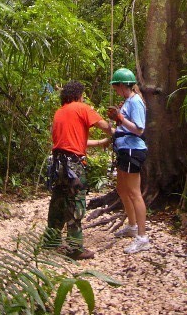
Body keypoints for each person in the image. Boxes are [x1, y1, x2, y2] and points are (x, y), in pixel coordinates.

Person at [46, 80, 112, 260]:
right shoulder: (82, 108)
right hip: (73, 165)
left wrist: (100, 144)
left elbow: (70, 141)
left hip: (58, 163)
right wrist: (118, 126)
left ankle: (51, 240)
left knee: (58, 200)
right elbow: (105, 127)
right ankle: (75, 248)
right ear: (78, 95)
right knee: (76, 202)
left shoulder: (60, 113)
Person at [106, 67, 150, 254]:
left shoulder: (136, 102)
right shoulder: (127, 101)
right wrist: (112, 128)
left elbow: (139, 129)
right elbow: (124, 127)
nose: (115, 90)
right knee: (121, 189)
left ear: (124, 86)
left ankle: (142, 237)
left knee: (134, 192)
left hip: (133, 149)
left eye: (116, 87)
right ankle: (132, 226)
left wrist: (120, 119)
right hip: (124, 148)